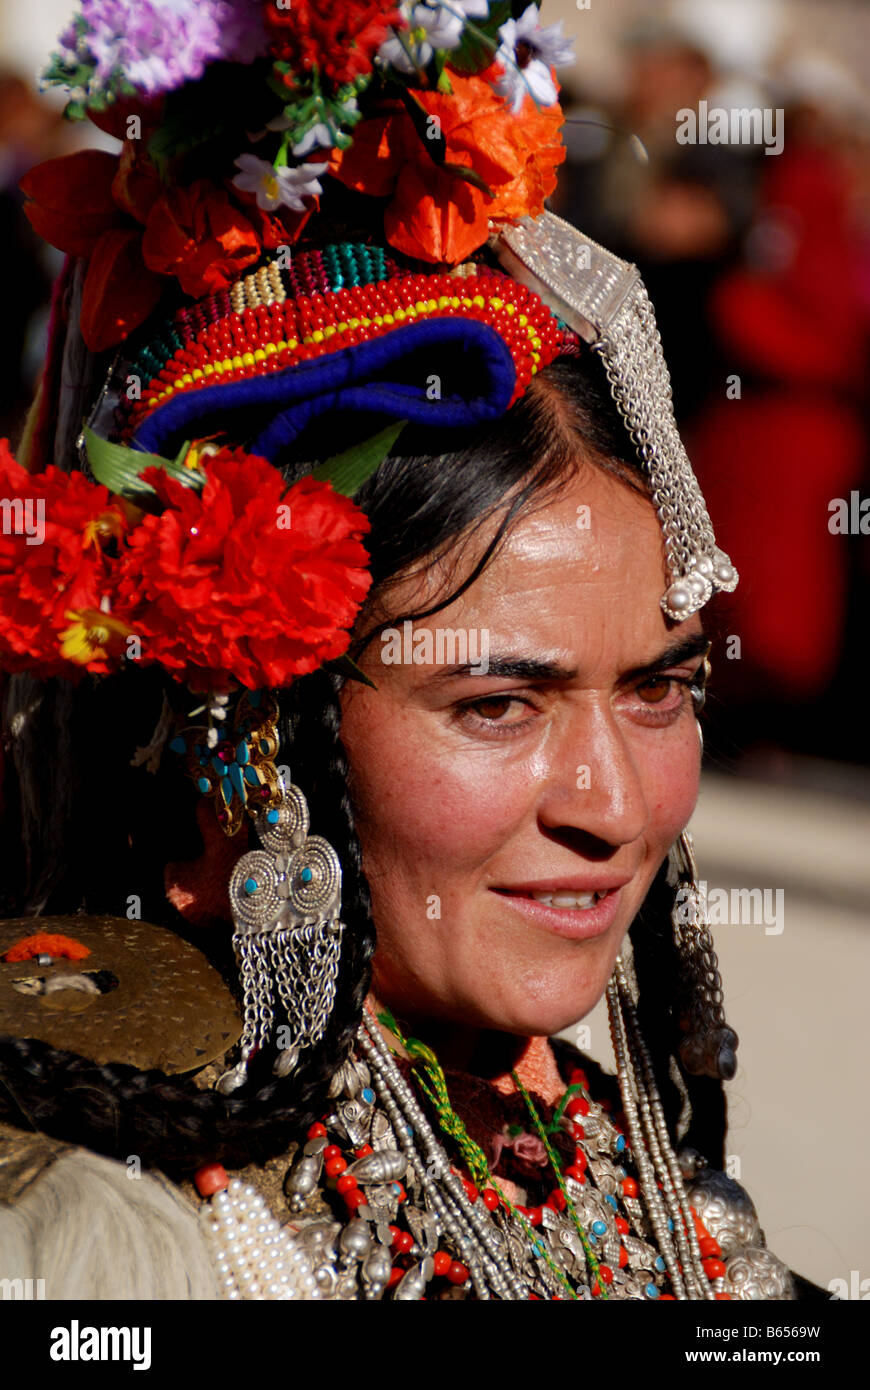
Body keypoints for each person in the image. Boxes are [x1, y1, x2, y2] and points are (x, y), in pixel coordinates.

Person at [0, 0, 823, 1302]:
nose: (616, 807)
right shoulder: (98, 1254)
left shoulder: (644, 1180)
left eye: (661, 686)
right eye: (498, 703)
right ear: (240, 747)